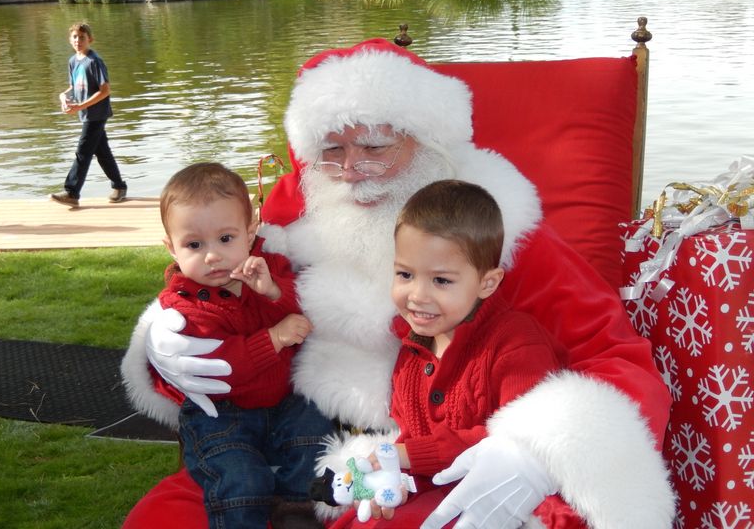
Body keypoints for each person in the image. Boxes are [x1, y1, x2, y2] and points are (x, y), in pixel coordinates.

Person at [121, 38, 675, 529]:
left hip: (439, 456)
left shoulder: (497, 229)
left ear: (426, 140)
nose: (352, 167)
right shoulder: (298, 209)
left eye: (377, 145)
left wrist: (536, 450)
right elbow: (213, 282)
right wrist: (163, 343)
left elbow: (615, 358)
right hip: (283, 443)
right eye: (332, 149)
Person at [329, 179, 571, 527]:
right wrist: (393, 477)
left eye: (441, 281)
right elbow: (409, 435)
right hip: (435, 487)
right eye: (405, 274)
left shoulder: (516, 343)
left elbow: (524, 442)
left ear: (487, 282)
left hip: (506, 498)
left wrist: (410, 455)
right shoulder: (414, 346)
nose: (417, 295)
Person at [154, 161, 332, 528]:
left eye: (225, 238)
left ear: (250, 233)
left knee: (314, 438)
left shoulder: (270, 268)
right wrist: (274, 338)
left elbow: (303, 315)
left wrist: (273, 293)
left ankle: (297, 515)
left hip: (284, 400)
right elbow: (221, 367)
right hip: (221, 412)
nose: (212, 255)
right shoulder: (185, 304)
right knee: (241, 480)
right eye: (194, 244)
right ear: (171, 248)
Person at [51, 22, 127, 208]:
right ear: (70, 40)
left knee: (83, 151)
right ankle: (119, 186)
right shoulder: (73, 61)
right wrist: (64, 96)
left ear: (90, 39)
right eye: (75, 37)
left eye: (82, 37)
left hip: (97, 114)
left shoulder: (94, 61)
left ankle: (72, 192)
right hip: (85, 113)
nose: (78, 41)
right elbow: (74, 86)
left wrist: (80, 106)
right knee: (102, 152)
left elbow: (105, 90)